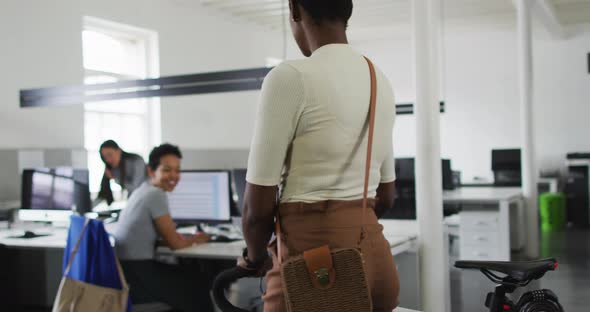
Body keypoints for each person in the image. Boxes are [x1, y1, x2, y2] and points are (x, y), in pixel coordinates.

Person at [239, 0, 400, 311]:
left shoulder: (289, 77)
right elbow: (388, 195)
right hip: (377, 260)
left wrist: (253, 258)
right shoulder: (379, 78)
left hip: (317, 265)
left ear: (295, 10)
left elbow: (256, 210)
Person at [113, 143, 211, 311]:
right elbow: (175, 244)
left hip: (127, 271)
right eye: (167, 170)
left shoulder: (142, 190)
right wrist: (200, 238)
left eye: (177, 170)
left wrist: (184, 238)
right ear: (152, 171)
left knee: (191, 276)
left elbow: (165, 238)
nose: (174, 175)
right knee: (199, 285)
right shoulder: (155, 195)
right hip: (139, 275)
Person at [97, 140, 148, 205]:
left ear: (119, 151)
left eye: (109, 155)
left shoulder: (136, 160)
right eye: (104, 157)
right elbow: (102, 194)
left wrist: (114, 179)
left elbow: (135, 188)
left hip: (144, 199)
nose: (108, 160)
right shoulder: (113, 168)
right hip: (132, 201)